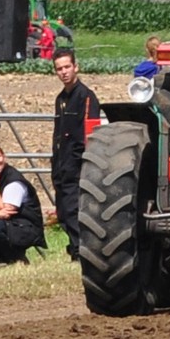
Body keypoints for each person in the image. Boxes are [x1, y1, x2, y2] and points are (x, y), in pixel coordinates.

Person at [52, 48, 100, 261]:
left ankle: (82, 250)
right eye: (59, 69)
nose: (63, 72)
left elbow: (88, 133)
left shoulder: (86, 96)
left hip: (77, 163)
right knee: (63, 209)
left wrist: (80, 160)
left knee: (74, 208)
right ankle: (74, 246)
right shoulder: (60, 99)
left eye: (67, 67)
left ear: (76, 67)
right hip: (61, 162)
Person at [0, 141, 46, 264]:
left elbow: (4, 213)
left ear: (4, 157)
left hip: (23, 228)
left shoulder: (14, 180)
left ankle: (17, 258)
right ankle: (1, 260)